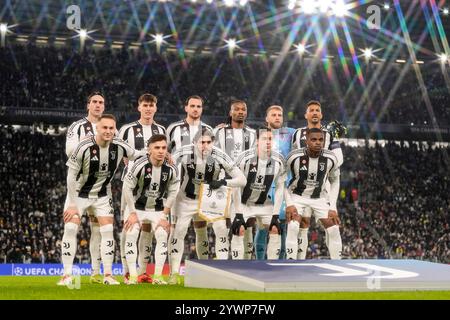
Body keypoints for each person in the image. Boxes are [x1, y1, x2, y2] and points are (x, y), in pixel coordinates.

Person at [58, 114, 144, 286]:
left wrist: (161, 154)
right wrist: (73, 204)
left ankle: (108, 275)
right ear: (97, 128)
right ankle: (66, 276)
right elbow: (71, 176)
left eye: (111, 128)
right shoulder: (83, 146)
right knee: (70, 228)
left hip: (103, 195)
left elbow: (137, 154)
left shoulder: (119, 145)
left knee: (107, 232)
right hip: (79, 194)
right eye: (104, 128)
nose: (108, 131)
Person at [168, 128, 246, 284]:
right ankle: (174, 273)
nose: (205, 146)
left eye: (208, 142)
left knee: (221, 229)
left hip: (210, 199)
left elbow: (242, 179)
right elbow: (168, 168)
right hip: (185, 199)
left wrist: (224, 182)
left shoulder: (219, 155)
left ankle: (222, 271)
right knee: (179, 231)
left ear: (213, 142)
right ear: (195, 143)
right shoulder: (183, 153)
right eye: (201, 142)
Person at [118, 93, 166, 284]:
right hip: (131, 185)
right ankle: (127, 271)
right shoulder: (127, 129)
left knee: (147, 228)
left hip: (154, 185)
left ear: (155, 108)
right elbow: (121, 154)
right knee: (129, 226)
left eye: (151, 105)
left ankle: (143, 271)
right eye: (145, 105)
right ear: (139, 107)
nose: (148, 108)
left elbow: (164, 153)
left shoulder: (161, 129)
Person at [122, 134, 179, 285]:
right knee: (132, 234)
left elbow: (173, 193)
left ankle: (158, 277)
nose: (161, 151)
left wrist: (164, 216)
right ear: (149, 150)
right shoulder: (139, 165)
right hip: (137, 207)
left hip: (158, 209)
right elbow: (127, 188)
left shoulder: (172, 169)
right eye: (157, 148)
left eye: (163, 148)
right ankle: (133, 276)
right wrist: (132, 213)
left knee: (162, 235)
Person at [290, 100, 343, 259]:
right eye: (311, 110)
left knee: (332, 226)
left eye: (317, 110)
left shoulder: (329, 135)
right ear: (306, 115)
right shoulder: (298, 133)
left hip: (323, 186)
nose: (314, 112)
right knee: (302, 225)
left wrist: (322, 163)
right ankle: (298, 263)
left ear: (321, 115)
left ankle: (337, 264)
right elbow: (292, 158)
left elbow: (339, 159)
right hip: (301, 185)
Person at [166, 96, 215, 261]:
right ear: (186, 108)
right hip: (179, 189)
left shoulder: (209, 129)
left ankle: (204, 268)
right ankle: (173, 272)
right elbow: (164, 152)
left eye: (199, 106)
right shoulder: (174, 128)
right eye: (192, 106)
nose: (195, 109)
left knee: (201, 227)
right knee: (176, 229)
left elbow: (215, 156)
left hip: (202, 188)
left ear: (202, 109)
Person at [64, 92, 105, 283]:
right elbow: (69, 151)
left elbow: (123, 149)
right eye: (94, 102)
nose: (98, 105)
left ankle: (96, 273)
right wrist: (91, 140)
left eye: (101, 103)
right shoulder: (77, 126)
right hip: (78, 188)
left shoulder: (109, 127)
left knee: (99, 231)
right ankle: (66, 274)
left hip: (100, 188)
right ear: (88, 105)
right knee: (71, 228)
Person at [231, 127, 285, 260]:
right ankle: (238, 268)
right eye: (264, 139)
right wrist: (238, 212)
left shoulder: (278, 160)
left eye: (270, 139)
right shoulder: (244, 158)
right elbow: (235, 185)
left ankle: (272, 267)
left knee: (275, 229)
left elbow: (280, 187)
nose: (268, 142)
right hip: (243, 203)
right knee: (239, 230)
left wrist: (275, 214)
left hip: (264, 203)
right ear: (257, 141)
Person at [253, 105, 297, 260]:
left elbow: (310, 132)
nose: (277, 117)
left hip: (284, 185)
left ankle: (282, 261)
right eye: (273, 115)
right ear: (267, 118)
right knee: (263, 226)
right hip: (264, 185)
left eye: (280, 115)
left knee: (283, 225)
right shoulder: (259, 134)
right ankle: (259, 260)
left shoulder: (291, 133)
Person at [214, 100, 256, 259]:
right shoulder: (219, 132)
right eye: (236, 109)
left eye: (243, 109)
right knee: (223, 225)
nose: (240, 112)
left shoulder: (252, 134)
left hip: (245, 184)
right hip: (224, 183)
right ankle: (223, 264)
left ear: (246, 112)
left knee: (247, 225)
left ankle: (245, 263)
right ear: (230, 112)